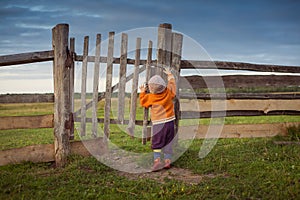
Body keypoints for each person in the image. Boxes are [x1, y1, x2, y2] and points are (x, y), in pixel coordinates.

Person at [139, 67, 176, 172]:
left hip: (158, 124)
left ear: (150, 89)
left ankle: (157, 161)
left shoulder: (150, 97)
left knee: (157, 142)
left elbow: (143, 103)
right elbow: (172, 85)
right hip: (170, 122)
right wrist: (169, 75)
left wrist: (142, 92)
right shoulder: (168, 93)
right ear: (164, 87)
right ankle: (168, 161)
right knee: (169, 141)